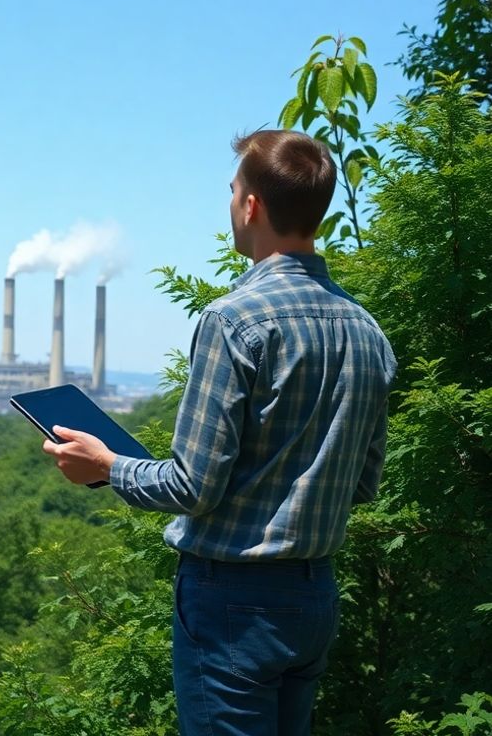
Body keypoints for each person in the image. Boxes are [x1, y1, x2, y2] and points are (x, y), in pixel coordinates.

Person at [42, 129, 396, 736]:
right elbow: (362, 485)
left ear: (251, 205)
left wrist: (106, 465)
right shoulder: (366, 330)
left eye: (233, 190)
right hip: (314, 598)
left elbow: (193, 485)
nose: (231, 201)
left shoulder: (234, 320)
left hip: (232, 602)